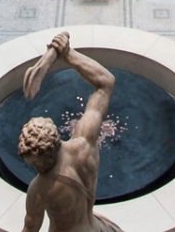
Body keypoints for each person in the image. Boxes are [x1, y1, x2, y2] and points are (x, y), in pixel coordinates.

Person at [17, 32, 121, 232]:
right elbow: (106, 83)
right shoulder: (84, 144)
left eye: (34, 163)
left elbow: (30, 228)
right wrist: (66, 54)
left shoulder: (39, 189)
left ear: (44, 157)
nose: (35, 169)